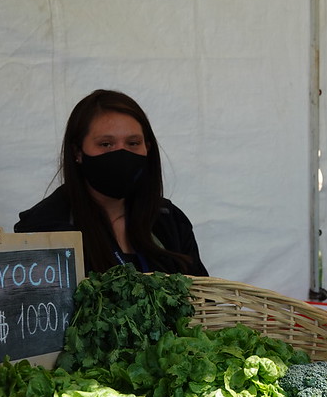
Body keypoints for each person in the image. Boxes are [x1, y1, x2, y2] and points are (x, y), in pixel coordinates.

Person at [15, 89, 209, 276]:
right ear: (77, 152)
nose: (121, 153)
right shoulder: (43, 228)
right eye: (106, 144)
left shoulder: (168, 219)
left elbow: (205, 302)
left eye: (133, 143)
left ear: (147, 148)